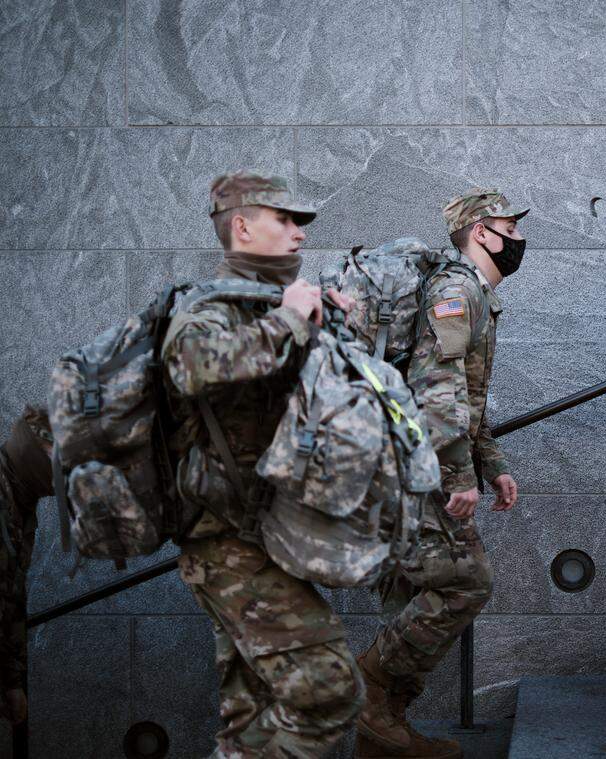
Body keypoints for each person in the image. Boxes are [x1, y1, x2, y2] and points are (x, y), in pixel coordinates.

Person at [163, 170, 363, 756]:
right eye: (286, 219)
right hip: (225, 542)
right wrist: (289, 320)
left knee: (250, 717)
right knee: (328, 688)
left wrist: (330, 328)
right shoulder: (209, 307)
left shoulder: (270, 305)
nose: (300, 233)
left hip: (268, 533)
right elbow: (190, 366)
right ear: (243, 227)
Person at [353, 188, 524, 759]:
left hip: (412, 465)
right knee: (465, 582)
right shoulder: (456, 292)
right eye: (509, 228)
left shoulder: (474, 294)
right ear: (481, 232)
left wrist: (492, 464)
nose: (519, 238)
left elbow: (469, 396)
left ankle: (384, 734)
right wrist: (459, 478)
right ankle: (367, 686)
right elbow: (437, 391)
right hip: (418, 471)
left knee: (408, 601)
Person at [0, 406, 53, 727]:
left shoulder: (19, 497)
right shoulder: (8, 498)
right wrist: (10, 681)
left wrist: (12, 679)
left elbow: (12, 594)